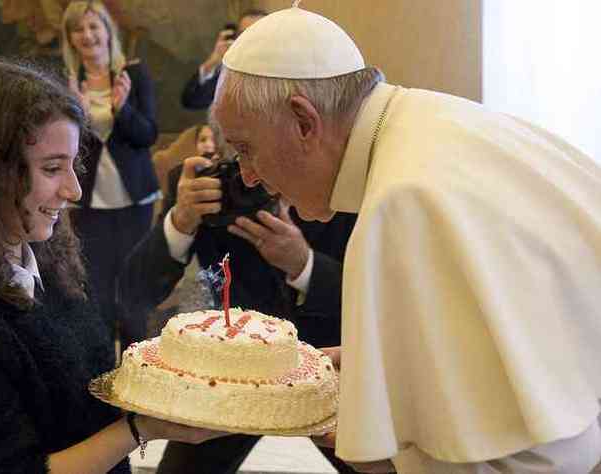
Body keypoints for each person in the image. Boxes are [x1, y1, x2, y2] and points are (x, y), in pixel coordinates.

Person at [211, 5, 601, 474]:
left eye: (246, 148)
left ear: (303, 121)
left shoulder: (404, 199)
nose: (248, 178)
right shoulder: (435, 119)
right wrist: (382, 363)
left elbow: (534, 451)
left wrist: (384, 450)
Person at [0, 57, 223, 473]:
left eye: (72, 165)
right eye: (51, 168)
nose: (74, 189)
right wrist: (141, 428)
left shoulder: (46, 261)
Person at [119, 124, 360, 474]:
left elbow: (380, 301)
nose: (251, 176)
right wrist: (181, 221)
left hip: (327, 369)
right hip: (232, 373)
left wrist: (304, 265)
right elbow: (133, 288)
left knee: (383, 466)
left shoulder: (348, 191)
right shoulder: (215, 189)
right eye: (241, 153)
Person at [62, 1, 160, 348]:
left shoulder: (134, 75)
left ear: (107, 30)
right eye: (78, 29)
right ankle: (103, 385)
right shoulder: (67, 83)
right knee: (98, 296)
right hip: (88, 204)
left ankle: (137, 387)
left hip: (135, 201)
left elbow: (147, 134)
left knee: (132, 294)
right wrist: (80, 116)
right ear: (70, 38)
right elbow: (63, 148)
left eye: (93, 26)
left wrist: (122, 109)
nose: (87, 35)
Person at [180, 9, 266, 111]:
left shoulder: (282, 68)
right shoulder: (229, 69)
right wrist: (213, 61)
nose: (249, 39)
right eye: (243, 34)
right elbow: (192, 101)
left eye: (257, 33)